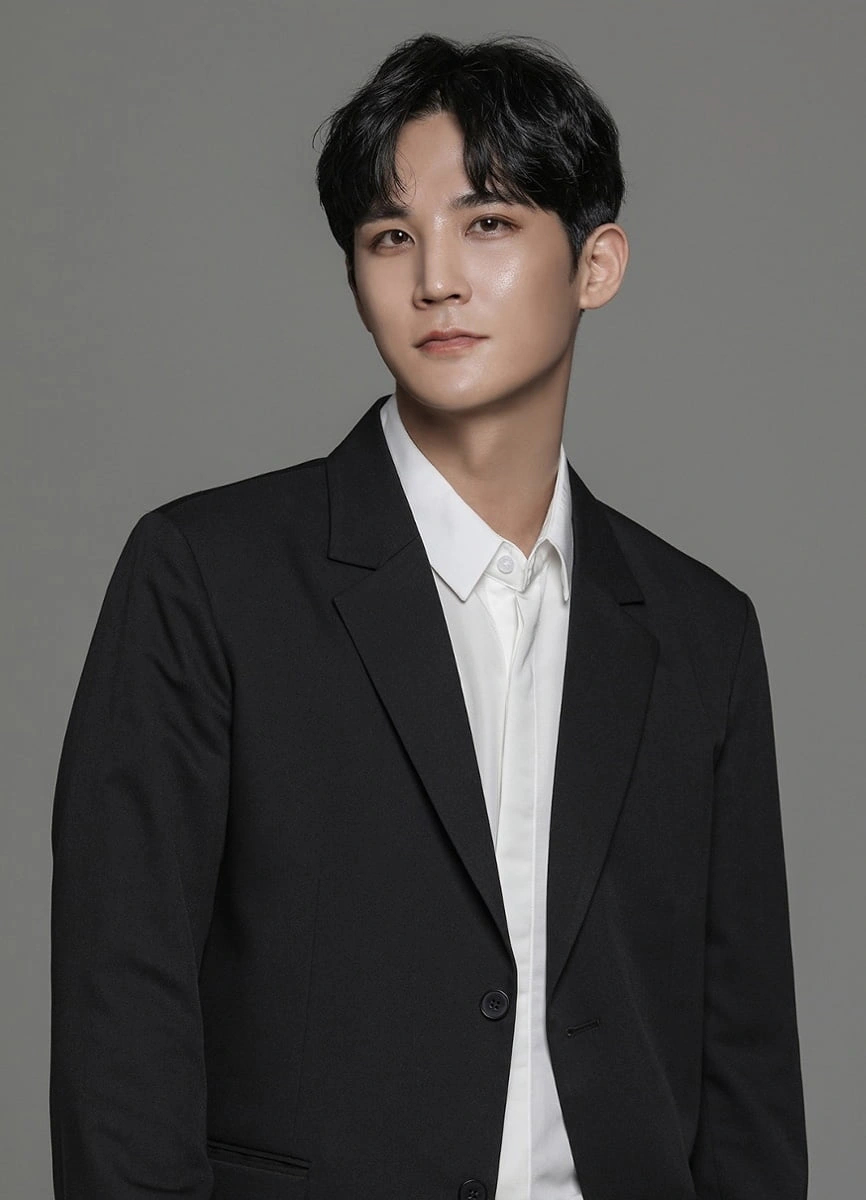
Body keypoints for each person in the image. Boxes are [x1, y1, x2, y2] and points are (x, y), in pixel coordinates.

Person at [49, 31, 808, 1200]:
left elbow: (743, 1060)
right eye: (389, 236)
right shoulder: (206, 576)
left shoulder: (699, 632)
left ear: (595, 263)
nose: (434, 279)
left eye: (486, 222)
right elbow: (121, 1007)